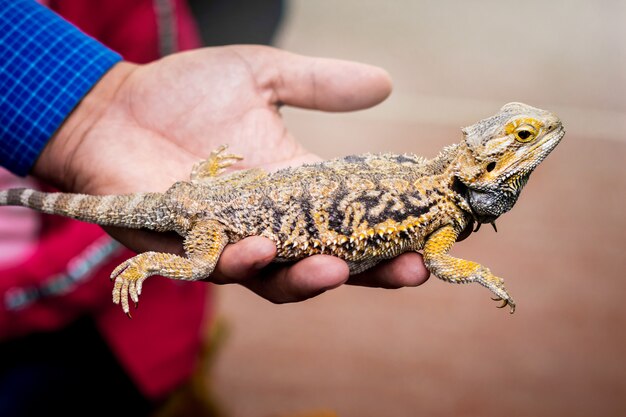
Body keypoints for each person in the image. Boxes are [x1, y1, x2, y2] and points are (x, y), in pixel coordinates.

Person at [0, 0, 429, 415]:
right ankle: (146, 262)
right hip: (188, 213)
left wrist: (92, 111)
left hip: (119, 313)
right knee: (202, 262)